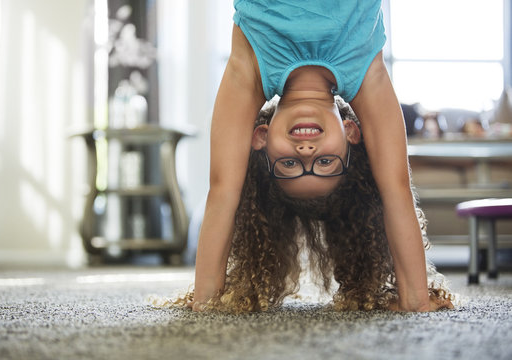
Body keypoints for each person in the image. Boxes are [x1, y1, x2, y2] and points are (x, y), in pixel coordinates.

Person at [189, 0, 453, 312]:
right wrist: (416, 300)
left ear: (260, 138)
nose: (306, 153)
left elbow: (223, 191)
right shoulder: (366, 73)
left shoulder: (250, 71)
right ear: (351, 134)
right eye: (325, 163)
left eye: (289, 164)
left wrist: (205, 303)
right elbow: (395, 188)